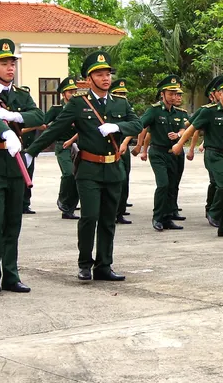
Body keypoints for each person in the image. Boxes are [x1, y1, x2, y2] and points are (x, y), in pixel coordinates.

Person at [26, 52, 142, 281]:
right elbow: (56, 128)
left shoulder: (121, 102)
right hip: (88, 168)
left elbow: (137, 124)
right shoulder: (79, 104)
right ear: (89, 79)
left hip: (113, 168)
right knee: (89, 216)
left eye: (108, 73)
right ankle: (85, 263)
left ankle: (104, 266)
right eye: (99, 74)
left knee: (109, 219)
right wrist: (31, 151)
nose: (105, 78)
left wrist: (117, 127)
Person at [0, 39, 47, 295]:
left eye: (12, 63)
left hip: (15, 164)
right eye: (4, 64)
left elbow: (39, 115)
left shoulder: (21, 95)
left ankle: (11, 275)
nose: (10, 68)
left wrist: (16, 116)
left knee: (13, 221)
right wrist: (5, 132)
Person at [174, 74, 223, 237]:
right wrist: (180, 144)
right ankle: (213, 211)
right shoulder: (209, 111)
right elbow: (192, 129)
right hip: (214, 154)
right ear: (220, 94)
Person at [140, 76, 191, 231]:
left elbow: (183, 128)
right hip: (158, 152)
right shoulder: (154, 111)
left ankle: (168, 218)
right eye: (170, 93)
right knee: (163, 184)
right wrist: (137, 146)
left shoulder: (179, 113)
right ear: (163, 94)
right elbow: (140, 125)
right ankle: (158, 217)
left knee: (172, 186)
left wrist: (179, 135)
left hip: (174, 154)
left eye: (176, 94)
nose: (174, 96)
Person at [44, 76, 82, 220]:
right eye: (70, 92)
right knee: (69, 173)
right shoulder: (56, 109)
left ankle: (69, 209)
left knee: (79, 176)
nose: (73, 94)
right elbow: (44, 124)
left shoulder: (81, 107)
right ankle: (62, 199)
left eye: (74, 91)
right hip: (63, 145)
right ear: (63, 94)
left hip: (78, 145)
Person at [109, 78, 139, 224]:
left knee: (125, 180)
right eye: (119, 93)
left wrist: (126, 143)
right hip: (110, 149)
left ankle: (120, 212)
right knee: (114, 181)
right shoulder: (107, 106)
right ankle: (111, 211)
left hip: (123, 148)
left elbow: (134, 126)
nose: (122, 96)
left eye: (124, 93)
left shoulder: (126, 107)